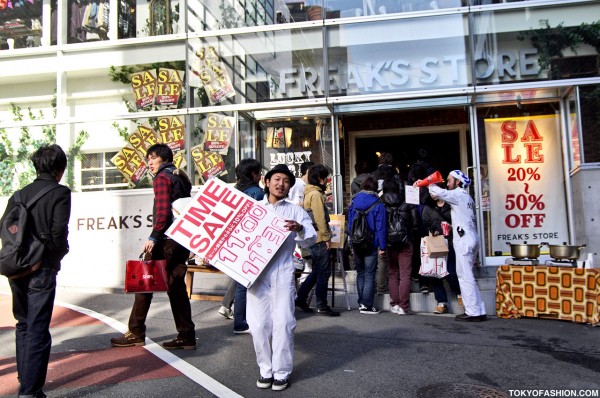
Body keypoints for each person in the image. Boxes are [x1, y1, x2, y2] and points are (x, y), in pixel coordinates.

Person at [111, 144, 197, 348]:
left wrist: (153, 237)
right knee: (176, 287)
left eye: (153, 158)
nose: (149, 162)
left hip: (166, 240)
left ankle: (135, 332)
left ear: (163, 158)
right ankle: (186, 335)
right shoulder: (181, 176)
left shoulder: (161, 177)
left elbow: (163, 211)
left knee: (144, 281)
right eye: (148, 158)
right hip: (181, 239)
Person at [2, 144, 71, 398]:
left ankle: (25, 377)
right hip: (41, 269)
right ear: (60, 169)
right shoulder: (60, 193)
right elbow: (58, 234)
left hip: (17, 268)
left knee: (23, 324)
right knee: (38, 328)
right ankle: (30, 391)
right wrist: (53, 259)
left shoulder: (18, 195)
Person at [247, 164, 317, 391]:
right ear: (267, 182)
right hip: (256, 273)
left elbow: (311, 238)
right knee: (258, 326)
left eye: (286, 181)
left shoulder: (296, 211)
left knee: (284, 323)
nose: (281, 184)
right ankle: (265, 370)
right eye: (277, 179)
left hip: (283, 271)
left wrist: (299, 229)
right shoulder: (253, 208)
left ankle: (282, 372)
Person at [415, 170, 487, 322]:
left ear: (458, 182)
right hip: (471, 236)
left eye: (449, 181)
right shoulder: (467, 197)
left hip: (464, 240)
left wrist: (425, 182)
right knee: (468, 276)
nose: (447, 184)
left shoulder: (458, 194)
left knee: (464, 276)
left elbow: (437, 191)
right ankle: (478, 309)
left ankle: (473, 312)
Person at [219, 159, 264, 333]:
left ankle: (241, 319)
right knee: (245, 285)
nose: (260, 175)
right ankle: (241, 321)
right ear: (253, 174)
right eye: (259, 172)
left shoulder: (236, 192)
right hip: (251, 243)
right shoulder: (257, 193)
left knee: (241, 283)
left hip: (236, 242)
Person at [295, 164, 339, 317]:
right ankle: (322, 305)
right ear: (320, 179)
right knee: (324, 273)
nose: (327, 180)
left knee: (317, 271)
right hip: (318, 237)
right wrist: (327, 238)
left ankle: (300, 298)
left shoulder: (310, 192)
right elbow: (320, 218)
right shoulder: (315, 194)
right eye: (326, 177)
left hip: (313, 237)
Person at [347, 175, 386, 315]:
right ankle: (367, 305)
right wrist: (382, 246)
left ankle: (361, 303)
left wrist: (350, 241)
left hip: (356, 243)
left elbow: (350, 224)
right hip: (371, 243)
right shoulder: (378, 203)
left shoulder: (354, 201)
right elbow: (381, 227)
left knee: (361, 273)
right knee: (369, 274)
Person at [381, 176, 418, 315]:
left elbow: (380, 226)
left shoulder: (381, 203)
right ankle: (403, 306)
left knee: (393, 274)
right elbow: (415, 223)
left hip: (390, 243)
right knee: (405, 274)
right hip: (405, 241)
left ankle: (394, 304)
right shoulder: (408, 200)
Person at [421, 188, 463, 314]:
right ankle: (441, 302)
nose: (433, 194)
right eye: (431, 192)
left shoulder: (451, 205)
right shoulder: (428, 208)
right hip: (436, 243)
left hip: (450, 241)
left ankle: (460, 293)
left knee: (450, 271)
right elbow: (425, 224)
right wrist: (432, 231)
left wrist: (452, 226)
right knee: (435, 273)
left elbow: (461, 222)